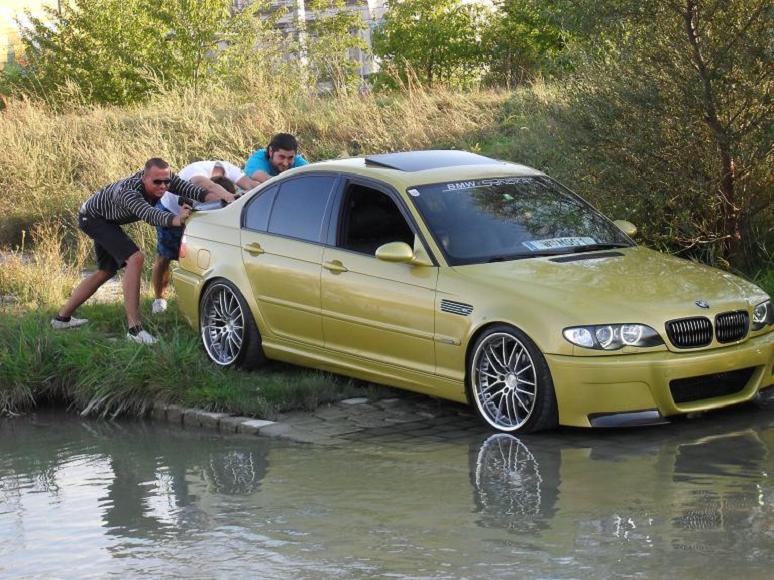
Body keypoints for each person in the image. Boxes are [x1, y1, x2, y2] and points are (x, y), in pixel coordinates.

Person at [51, 158, 235, 344]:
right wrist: (178, 219)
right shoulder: (128, 193)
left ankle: (61, 319)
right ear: (144, 179)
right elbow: (150, 214)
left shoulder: (164, 180)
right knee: (135, 258)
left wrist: (227, 201)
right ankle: (134, 330)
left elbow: (197, 192)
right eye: (157, 182)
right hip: (92, 218)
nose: (163, 186)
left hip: (107, 219)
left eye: (166, 181)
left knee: (105, 272)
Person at [150, 160, 255, 314]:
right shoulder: (194, 182)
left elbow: (252, 186)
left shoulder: (230, 171)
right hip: (171, 210)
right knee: (165, 256)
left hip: (206, 207)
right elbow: (209, 190)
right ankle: (159, 301)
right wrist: (228, 197)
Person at [243, 132, 309, 183]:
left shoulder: (297, 160)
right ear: (271, 152)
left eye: (290, 158)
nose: (285, 163)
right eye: (281, 157)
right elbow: (257, 176)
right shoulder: (259, 157)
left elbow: (312, 173)